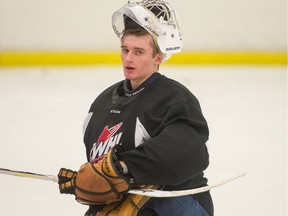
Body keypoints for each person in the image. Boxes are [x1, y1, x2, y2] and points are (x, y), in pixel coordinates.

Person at [58, 0, 213, 215]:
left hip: (179, 202)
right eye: (125, 50)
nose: (128, 59)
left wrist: (122, 167)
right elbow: (102, 172)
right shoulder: (102, 104)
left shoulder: (174, 98)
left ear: (157, 58)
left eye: (138, 52)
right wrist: (87, 180)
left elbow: (190, 154)